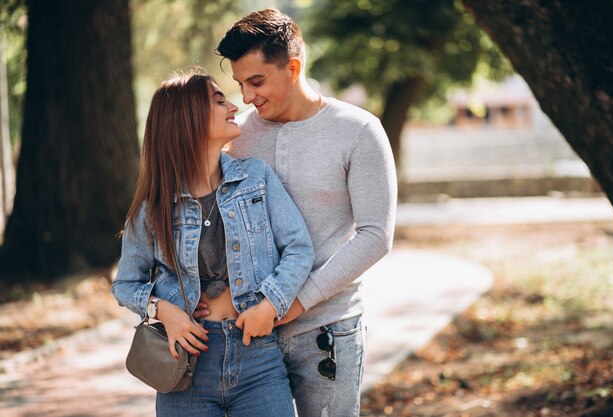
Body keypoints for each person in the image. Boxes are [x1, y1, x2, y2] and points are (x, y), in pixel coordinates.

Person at [198, 8, 398, 417]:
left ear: (292, 67)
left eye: (257, 81)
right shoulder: (238, 135)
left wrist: (294, 302)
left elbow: (376, 236)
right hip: (247, 335)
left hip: (326, 330)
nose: (248, 97)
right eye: (240, 84)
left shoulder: (359, 131)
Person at [111, 69, 314, 417]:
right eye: (219, 100)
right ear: (186, 119)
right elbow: (126, 284)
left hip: (258, 359)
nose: (235, 106)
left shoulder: (255, 178)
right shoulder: (155, 206)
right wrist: (165, 310)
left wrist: (270, 305)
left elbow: (299, 248)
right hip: (185, 366)